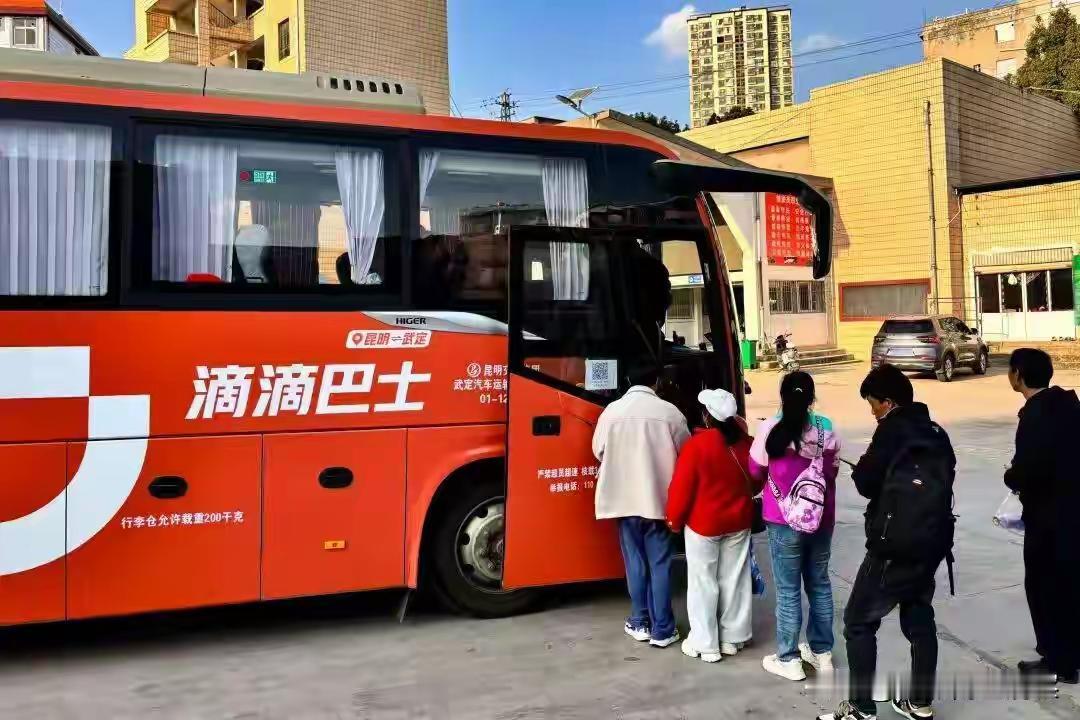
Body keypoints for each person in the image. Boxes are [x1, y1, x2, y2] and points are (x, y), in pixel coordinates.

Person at [819, 365, 956, 720]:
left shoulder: (891, 430)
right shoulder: (936, 432)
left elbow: (867, 483)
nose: (872, 412)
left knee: (858, 622)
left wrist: (863, 468)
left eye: (873, 404)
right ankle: (920, 703)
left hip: (893, 546)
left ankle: (861, 709)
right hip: (932, 542)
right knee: (919, 617)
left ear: (889, 402)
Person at [749, 371, 840, 682]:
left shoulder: (770, 428)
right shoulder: (827, 428)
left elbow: (755, 470)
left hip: (783, 521)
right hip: (821, 519)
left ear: (783, 396)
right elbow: (832, 471)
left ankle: (788, 658)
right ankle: (822, 653)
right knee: (820, 584)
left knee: (788, 590)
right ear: (812, 397)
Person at [592, 365, 690, 649]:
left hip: (623, 502)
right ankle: (663, 630)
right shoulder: (670, 413)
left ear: (627, 380)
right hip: (658, 503)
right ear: (657, 382)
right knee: (660, 566)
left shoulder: (611, 412)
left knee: (634, 563)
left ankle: (639, 622)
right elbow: (686, 452)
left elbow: (598, 450)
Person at [666, 388, 758, 663]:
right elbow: (757, 481)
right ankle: (733, 638)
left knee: (703, 582)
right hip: (739, 520)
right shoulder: (748, 444)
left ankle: (706, 644)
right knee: (735, 579)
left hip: (703, 523)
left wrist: (674, 520)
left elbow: (681, 488)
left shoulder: (697, 446)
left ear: (707, 416)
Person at [1005, 348, 1080, 685]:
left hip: (1049, 517)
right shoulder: (1068, 406)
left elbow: (1029, 469)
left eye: (1011, 370)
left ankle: (1058, 661)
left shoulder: (1036, 415)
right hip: (1073, 512)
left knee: (1044, 586)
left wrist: (1011, 476)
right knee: (1070, 584)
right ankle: (1071, 652)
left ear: (1019, 375)